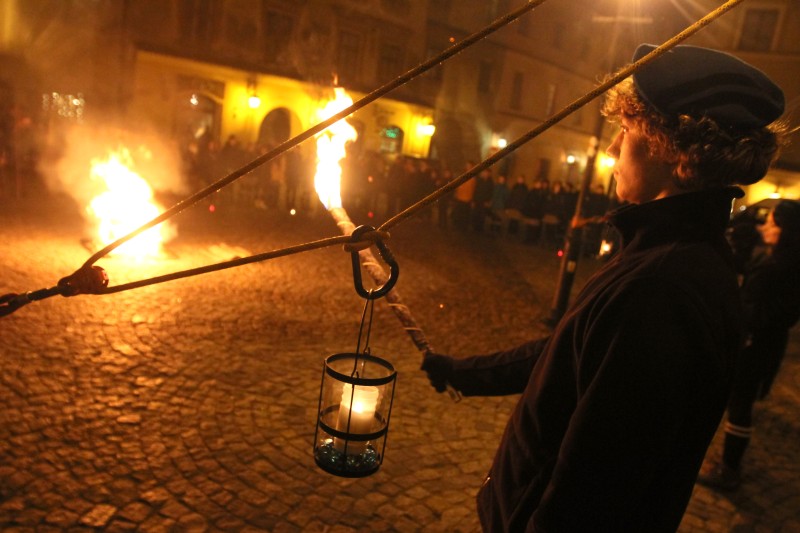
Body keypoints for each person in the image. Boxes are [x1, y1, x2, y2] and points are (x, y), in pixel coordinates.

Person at [421, 43, 786, 532]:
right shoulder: (663, 256)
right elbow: (568, 353)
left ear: (678, 153)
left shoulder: (662, 290)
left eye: (627, 131)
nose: (612, 150)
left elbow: (593, 490)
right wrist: (461, 373)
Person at [698, 200, 800, 491]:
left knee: (740, 404)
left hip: (757, 344)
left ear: (788, 231)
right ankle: (728, 464)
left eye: (773, 223)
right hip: (755, 339)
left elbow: (782, 311)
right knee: (737, 401)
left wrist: (750, 322)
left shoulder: (785, 265)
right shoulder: (778, 258)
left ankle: (729, 470)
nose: (765, 226)